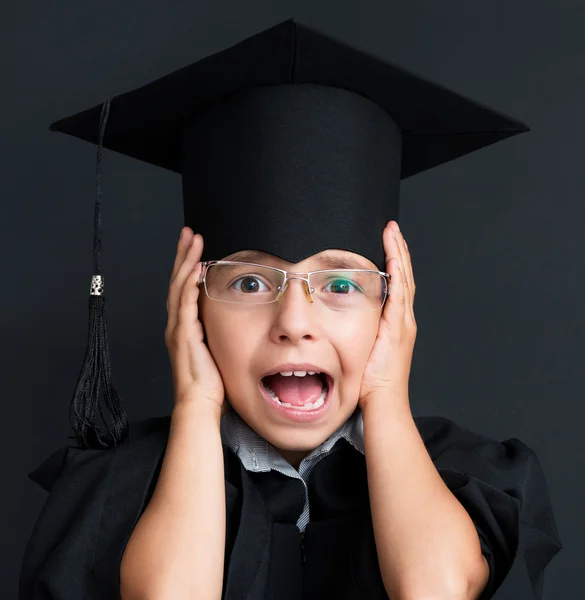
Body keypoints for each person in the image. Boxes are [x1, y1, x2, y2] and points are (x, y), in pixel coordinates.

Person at [19, 18, 562, 600]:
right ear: (193, 306)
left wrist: (385, 398)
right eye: (251, 283)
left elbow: (436, 590)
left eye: (341, 285)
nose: (295, 324)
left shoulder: (470, 475)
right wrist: (196, 407)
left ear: (392, 304)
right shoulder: (115, 486)